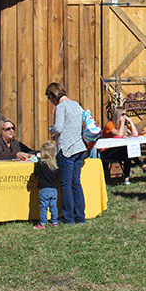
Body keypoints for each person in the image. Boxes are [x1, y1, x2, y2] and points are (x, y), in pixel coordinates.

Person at [46, 82, 87, 224]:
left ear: (53, 95)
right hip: (79, 148)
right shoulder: (76, 104)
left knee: (66, 184)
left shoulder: (60, 107)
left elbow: (58, 128)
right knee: (76, 183)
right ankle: (80, 216)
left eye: (49, 98)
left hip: (67, 150)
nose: (50, 101)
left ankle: (68, 217)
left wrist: (51, 130)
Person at [99, 107, 146, 184]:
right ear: (118, 115)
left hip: (118, 151)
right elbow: (119, 135)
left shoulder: (124, 126)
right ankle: (142, 166)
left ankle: (127, 179)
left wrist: (130, 121)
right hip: (106, 152)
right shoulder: (110, 124)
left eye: (126, 114)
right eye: (123, 114)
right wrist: (122, 122)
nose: (125, 116)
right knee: (127, 150)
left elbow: (135, 134)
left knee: (128, 153)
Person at [33, 141, 60, 229]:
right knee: (53, 206)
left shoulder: (41, 164)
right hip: (53, 189)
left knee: (43, 207)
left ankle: (43, 223)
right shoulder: (55, 165)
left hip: (43, 189)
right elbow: (57, 176)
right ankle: (55, 222)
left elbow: (36, 173)